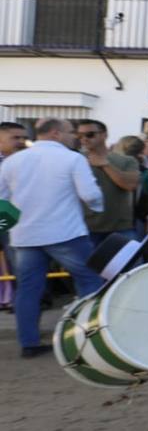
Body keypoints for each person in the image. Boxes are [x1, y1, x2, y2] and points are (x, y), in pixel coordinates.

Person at [0, 118, 106, 357]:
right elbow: (90, 194)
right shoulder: (73, 158)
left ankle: (29, 343)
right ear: (57, 133)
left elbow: (1, 199)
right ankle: (88, 337)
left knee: (28, 289)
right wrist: (98, 206)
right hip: (66, 233)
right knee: (90, 281)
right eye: (71, 132)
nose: (75, 137)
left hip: (25, 235)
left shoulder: (12, 162)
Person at [76, 119, 140, 246]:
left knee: (131, 265)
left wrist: (105, 165)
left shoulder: (126, 160)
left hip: (120, 227)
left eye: (90, 134)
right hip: (83, 228)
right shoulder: (75, 159)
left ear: (104, 135)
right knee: (86, 266)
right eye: (79, 135)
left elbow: (130, 185)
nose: (84, 139)